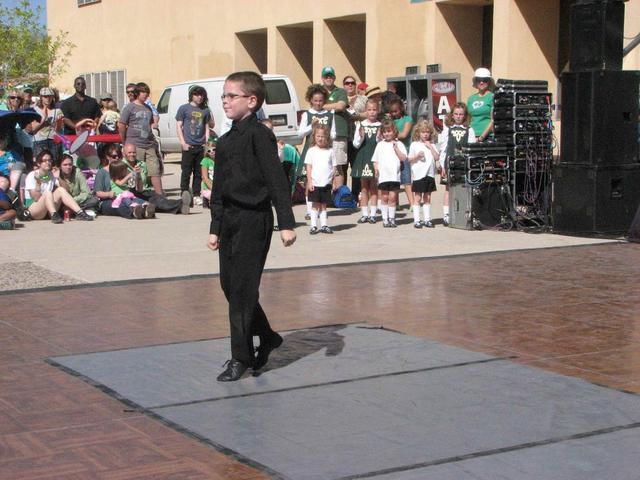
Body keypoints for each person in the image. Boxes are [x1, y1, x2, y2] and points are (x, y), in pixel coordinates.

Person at [207, 71, 296, 382]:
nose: (225, 101)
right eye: (224, 96)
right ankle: (267, 336)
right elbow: (218, 187)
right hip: (229, 221)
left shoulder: (260, 134)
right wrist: (215, 226)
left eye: (232, 96)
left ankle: (240, 358)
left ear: (252, 100)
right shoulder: (227, 140)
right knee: (230, 288)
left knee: (244, 292)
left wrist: (286, 222)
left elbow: (276, 180)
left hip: (253, 219)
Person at [24, 149, 94, 223]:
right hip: (34, 209)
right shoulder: (32, 175)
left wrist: (59, 176)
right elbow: (36, 198)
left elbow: (66, 190)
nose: (48, 163)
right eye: (44, 161)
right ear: (38, 163)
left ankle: (80, 213)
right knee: (48, 193)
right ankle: (54, 214)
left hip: (47, 210)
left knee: (60, 190)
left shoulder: (50, 175)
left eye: (49, 160)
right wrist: (38, 182)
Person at [298, 84, 335, 219]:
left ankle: (320, 210)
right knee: (310, 181)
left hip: (325, 151)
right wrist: (311, 126)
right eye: (315, 100)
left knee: (322, 180)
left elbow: (334, 133)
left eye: (320, 100)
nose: (318, 103)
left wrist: (326, 135)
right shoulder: (306, 114)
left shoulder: (329, 114)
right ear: (311, 100)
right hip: (310, 150)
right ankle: (310, 210)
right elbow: (300, 133)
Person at [118, 83, 163, 195]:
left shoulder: (148, 108)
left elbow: (151, 123)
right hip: (135, 144)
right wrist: (124, 142)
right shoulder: (129, 107)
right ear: (137, 93)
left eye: (147, 92)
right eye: (143, 92)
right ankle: (136, 195)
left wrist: (154, 126)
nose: (146, 94)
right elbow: (121, 125)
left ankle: (160, 196)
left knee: (155, 170)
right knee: (136, 171)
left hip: (149, 144)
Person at [121, 143, 191, 214]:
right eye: (129, 152)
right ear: (124, 154)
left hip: (143, 191)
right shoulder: (120, 166)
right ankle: (182, 203)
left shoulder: (141, 164)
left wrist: (138, 175)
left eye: (134, 152)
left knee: (159, 199)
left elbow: (141, 187)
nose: (132, 154)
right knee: (157, 202)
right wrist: (131, 174)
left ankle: (182, 206)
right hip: (130, 194)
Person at [438, 102, 476, 226]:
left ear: (465, 116)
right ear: (452, 115)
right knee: (448, 189)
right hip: (450, 163)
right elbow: (443, 148)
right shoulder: (447, 129)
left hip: (464, 163)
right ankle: (446, 215)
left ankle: (464, 214)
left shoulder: (469, 130)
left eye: (461, 114)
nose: (458, 116)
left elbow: (472, 148)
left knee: (465, 188)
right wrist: (442, 165)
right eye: (456, 114)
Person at [176, 85, 213, 206]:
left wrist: (207, 144)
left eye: (201, 95)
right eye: (197, 94)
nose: (199, 97)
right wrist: (183, 143)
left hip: (200, 146)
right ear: (191, 96)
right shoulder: (184, 109)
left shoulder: (205, 110)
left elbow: (207, 127)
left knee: (198, 172)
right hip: (188, 145)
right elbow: (179, 126)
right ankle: (184, 193)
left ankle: (196, 194)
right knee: (186, 171)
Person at [372, 120, 407, 228]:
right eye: (385, 132)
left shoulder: (399, 144)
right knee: (384, 197)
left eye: (389, 131)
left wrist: (396, 149)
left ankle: (392, 218)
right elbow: (375, 160)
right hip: (383, 177)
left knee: (393, 197)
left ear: (394, 131)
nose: (387, 134)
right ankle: (385, 219)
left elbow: (403, 158)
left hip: (394, 176)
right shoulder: (380, 145)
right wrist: (376, 169)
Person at [352, 98, 381, 224]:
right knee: (363, 188)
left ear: (378, 111)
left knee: (374, 187)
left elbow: (381, 145)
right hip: (363, 157)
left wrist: (379, 138)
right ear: (365, 111)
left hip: (375, 159)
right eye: (369, 110)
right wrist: (361, 137)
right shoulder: (361, 124)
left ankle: (373, 214)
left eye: (374, 110)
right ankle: (364, 214)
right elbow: (355, 144)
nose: (372, 112)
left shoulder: (380, 125)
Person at [321, 67, 350, 190]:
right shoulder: (319, 91)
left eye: (331, 76)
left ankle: (338, 195)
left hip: (339, 133)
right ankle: (326, 195)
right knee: (323, 165)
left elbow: (341, 106)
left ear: (334, 77)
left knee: (338, 166)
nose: (328, 78)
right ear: (322, 78)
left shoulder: (341, 91)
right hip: (322, 133)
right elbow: (313, 105)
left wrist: (322, 106)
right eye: (326, 76)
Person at [305, 124, 337, 235]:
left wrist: (333, 182)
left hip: (326, 183)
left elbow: (334, 167)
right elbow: (308, 167)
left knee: (323, 205)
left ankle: (324, 225)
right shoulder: (311, 151)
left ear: (327, 138)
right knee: (315, 204)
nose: (320, 138)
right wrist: (309, 181)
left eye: (322, 136)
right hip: (315, 183)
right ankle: (313, 225)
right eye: (318, 136)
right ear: (314, 137)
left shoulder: (330, 151)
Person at [408, 120, 439, 228]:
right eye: (423, 132)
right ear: (418, 133)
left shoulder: (432, 144)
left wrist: (430, 146)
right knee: (417, 197)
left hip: (429, 174)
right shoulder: (414, 145)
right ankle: (416, 220)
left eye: (427, 132)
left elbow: (436, 157)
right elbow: (409, 159)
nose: (425, 134)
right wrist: (417, 157)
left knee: (428, 197)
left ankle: (427, 219)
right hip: (418, 175)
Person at [93, 144, 138, 219]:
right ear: (107, 157)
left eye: (119, 156)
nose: (117, 158)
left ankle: (145, 209)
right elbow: (97, 193)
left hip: (125, 196)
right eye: (114, 156)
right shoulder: (102, 172)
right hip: (107, 201)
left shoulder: (124, 170)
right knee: (121, 206)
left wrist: (137, 175)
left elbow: (133, 186)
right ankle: (134, 212)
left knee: (138, 201)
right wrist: (108, 194)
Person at [344, 75, 367, 200]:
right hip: (343, 137)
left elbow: (370, 112)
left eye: (352, 83)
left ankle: (355, 194)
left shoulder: (363, 99)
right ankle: (342, 194)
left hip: (358, 137)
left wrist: (357, 116)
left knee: (356, 166)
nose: (350, 85)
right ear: (344, 85)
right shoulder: (340, 98)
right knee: (341, 167)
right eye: (347, 83)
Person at [388, 98, 414, 210]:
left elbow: (404, 134)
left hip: (404, 152)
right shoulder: (390, 121)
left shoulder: (408, 119)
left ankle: (412, 204)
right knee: (395, 180)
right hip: (392, 153)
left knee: (407, 180)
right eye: (392, 112)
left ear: (401, 109)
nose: (394, 114)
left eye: (396, 111)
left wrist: (390, 133)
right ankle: (396, 203)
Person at [33, 87, 64, 163]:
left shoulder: (57, 111)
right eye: (45, 96)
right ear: (41, 97)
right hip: (39, 140)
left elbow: (58, 130)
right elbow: (33, 129)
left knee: (54, 163)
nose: (47, 98)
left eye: (50, 96)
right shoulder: (35, 110)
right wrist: (43, 122)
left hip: (53, 140)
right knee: (40, 162)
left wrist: (58, 122)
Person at [468, 67, 494, 142]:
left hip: (488, 137)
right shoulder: (471, 98)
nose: (481, 82)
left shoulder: (492, 97)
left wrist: (481, 138)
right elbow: (468, 118)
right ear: (475, 82)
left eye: (484, 80)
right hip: (472, 135)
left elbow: (493, 120)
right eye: (479, 80)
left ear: (489, 82)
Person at [200, 137, 216, 209]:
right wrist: (212, 188)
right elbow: (205, 178)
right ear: (206, 152)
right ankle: (205, 199)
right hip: (208, 187)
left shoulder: (220, 160)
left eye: (214, 149)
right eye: (209, 151)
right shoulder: (205, 161)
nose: (212, 152)